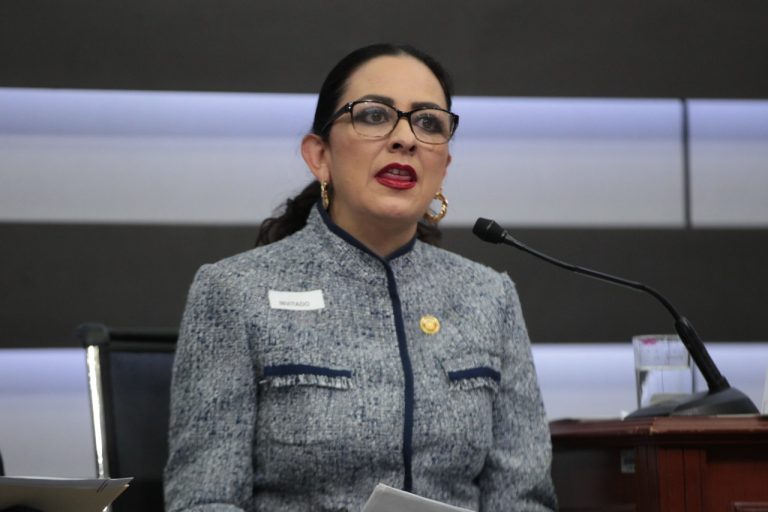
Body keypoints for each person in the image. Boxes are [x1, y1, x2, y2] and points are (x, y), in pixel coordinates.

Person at [164, 43, 557, 512]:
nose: (406, 139)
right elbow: (203, 501)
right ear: (320, 155)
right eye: (374, 115)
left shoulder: (490, 297)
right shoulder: (234, 292)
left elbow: (524, 500)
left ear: (443, 167)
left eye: (429, 122)